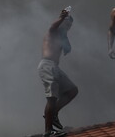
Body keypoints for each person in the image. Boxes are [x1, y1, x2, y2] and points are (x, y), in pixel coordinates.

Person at [38, 9, 78, 137]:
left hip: (55, 67)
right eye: (66, 24)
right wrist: (62, 17)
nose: (68, 27)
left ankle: (53, 113)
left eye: (69, 26)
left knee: (72, 90)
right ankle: (48, 132)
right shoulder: (53, 31)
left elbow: (66, 47)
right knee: (52, 98)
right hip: (47, 65)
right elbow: (53, 26)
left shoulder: (62, 36)